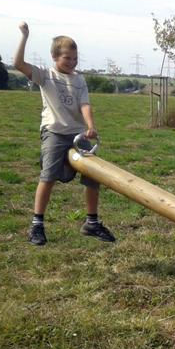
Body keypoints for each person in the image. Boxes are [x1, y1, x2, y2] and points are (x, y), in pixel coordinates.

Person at [14, 21, 116, 246]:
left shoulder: (79, 80)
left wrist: (90, 126)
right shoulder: (45, 76)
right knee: (48, 176)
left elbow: (85, 105)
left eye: (75, 58)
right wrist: (24, 36)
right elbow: (18, 63)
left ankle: (92, 222)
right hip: (54, 132)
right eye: (67, 58)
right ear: (55, 57)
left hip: (77, 135)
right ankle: (37, 225)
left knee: (94, 174)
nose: (71, 62)